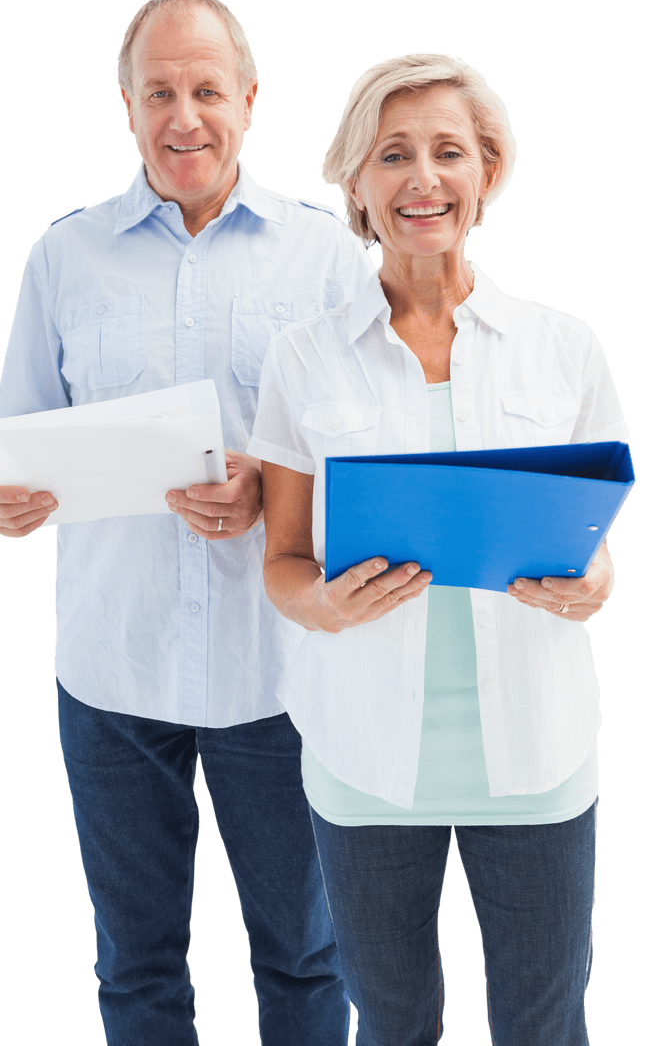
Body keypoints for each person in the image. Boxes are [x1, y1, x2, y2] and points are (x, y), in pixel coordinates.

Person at [0, 0, 374, 1046]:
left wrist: (270, 492)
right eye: (159, 91)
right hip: (112, 671)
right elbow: (16, 439)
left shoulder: (325, 254)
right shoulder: (65, 255)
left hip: (276, 670)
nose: (182, 115)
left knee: (303, 959)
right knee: (135, 966)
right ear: (125, 104)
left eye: (205, 89)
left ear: (248, 98)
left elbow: (370, 462)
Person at [248, 51, 628, 1046]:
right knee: (391, 1025)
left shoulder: (563, 346)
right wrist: (324, 605)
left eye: (448, 152)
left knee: (546, 1028)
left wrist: (591, 581)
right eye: (393, 154)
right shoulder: (303, 357)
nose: (423, 178)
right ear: (357, 186)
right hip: (364, 761)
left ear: (486, 173)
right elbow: (283, 559)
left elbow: (595, 550)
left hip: (534, 758)